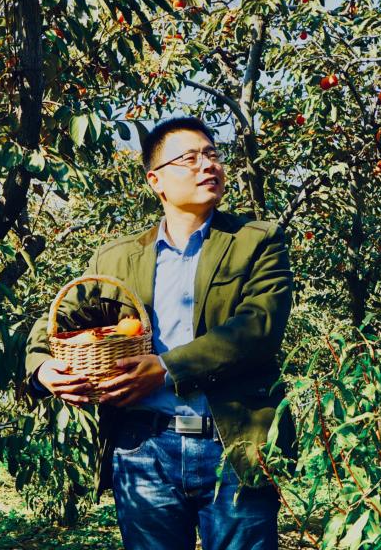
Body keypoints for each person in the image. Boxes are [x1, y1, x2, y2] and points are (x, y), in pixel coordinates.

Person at [22, 116, 297, 550]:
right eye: (190, 158)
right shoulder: (117, 258)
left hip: (234, 444)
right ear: (156, 181)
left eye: (212, 154)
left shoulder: (256, 241)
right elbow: (59, 318)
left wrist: (166, 368)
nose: (208, 165)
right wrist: (42, 368)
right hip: (144, 447)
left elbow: (258, 328)